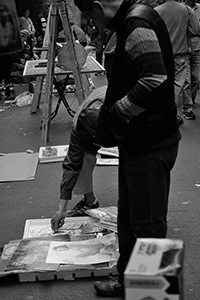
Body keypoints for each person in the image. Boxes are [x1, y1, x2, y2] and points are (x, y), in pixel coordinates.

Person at [73, 0, 181, 297]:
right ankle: (129, 279)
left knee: (147, 223)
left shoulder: (136, 24)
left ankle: (151, 293)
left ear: (97, 7)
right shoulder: (132, 20)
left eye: (89, 17)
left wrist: (116, 112)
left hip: (151, 142)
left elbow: (154, 79)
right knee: (130, 216)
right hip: (139, 140)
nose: (93, 24)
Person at [51, 85, 107, 232]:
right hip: (96, 122)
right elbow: (71, 165)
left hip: (122, 119)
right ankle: (90, 202)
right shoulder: (79, 125)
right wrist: (61, 209)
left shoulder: (123, 114)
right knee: (83, 160)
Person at [155, 0, 200, 123]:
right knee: (178, 85)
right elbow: (195, 30)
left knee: (162, 83)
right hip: (179, 53)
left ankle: (161, 113)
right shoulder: (185, 10)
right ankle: (175, 115)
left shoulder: (156, 11)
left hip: (162, 54)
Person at [184, 0, 200, 105]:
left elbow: (195, 30)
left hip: (198, 48)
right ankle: (187, 105)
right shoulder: (182, 9)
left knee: (197, 78)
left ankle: (191, 99)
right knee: (186, 80)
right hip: (185, 48)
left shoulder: (199, 7)